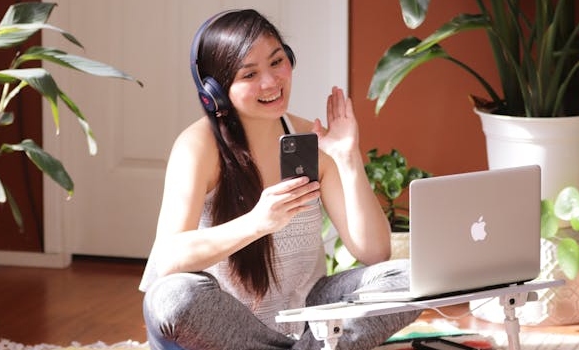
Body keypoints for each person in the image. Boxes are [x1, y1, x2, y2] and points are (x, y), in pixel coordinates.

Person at [140, 9, 420, 350]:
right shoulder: (198, 146)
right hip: (224, 328)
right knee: (172, 297)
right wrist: (258, 222)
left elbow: (375, 251)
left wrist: (347, 157)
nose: (271, 82)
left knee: (412, 277)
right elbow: (168, 257)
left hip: (307, 319)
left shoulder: (309, 138)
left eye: (277, 62)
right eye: (249, 74)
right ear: (214, 91)